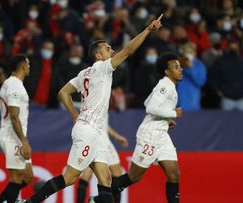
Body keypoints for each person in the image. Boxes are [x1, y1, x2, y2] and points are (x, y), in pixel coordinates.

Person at [18, 13, 163, 203]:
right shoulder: (102, 68)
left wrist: (74, 115)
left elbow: (63, 93)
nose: (112, 49)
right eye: (107, 47)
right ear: (98, 55)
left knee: (106, 179)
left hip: (94, 131)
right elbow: (128, 51)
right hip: (88, 130)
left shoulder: (84, 73)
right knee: (70, 177)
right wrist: (148, 30)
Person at [91, 52, 183, 203]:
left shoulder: (169, 85)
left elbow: (147, 102)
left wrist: (166, 119)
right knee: (134, 177)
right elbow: (151, 108)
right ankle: (97, 199)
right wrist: (173, 113)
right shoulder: (165, 85)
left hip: (162, 134)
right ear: (167, 71)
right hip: (150, 135)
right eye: (176, 67)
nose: (180, 69)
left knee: (174, 175)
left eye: (180, 66)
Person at [0, 54, 33, 203]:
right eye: (28, 64)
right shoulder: (14, 85)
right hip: (12, 136)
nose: (29, 67)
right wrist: (24, 141)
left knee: (28, 176)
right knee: (16, 179)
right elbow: (14, 116)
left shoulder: (13, 83)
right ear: (22, 65)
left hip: (17, 135)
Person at [77, 121, 128, 203]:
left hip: (94, 138)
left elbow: (103, 123)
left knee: (87, 174)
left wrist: (117, 136)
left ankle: (93, 200)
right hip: (97, 138)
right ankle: (95, 200)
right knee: (116, 174)